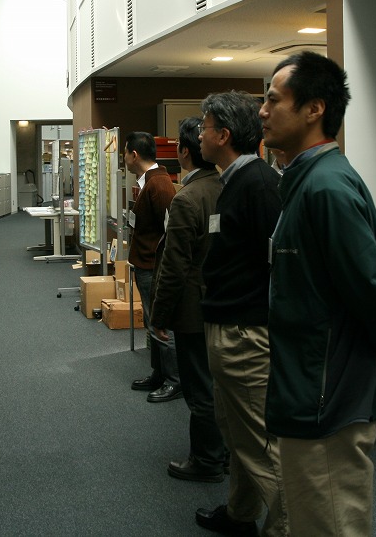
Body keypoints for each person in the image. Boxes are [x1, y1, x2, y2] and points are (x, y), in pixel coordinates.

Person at [260, 51, 376, 536]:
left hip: (327, 401)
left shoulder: (327, 188)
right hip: (311, 388)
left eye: (274, 100)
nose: (262, 111)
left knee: (331, 526)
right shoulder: (307, 181)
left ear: (314, 109)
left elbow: (375, 294)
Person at [194, 90, 288, 537]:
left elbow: (278, 265)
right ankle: (240, 514)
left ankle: (288, 528)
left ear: (224, 135)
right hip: (231, 327)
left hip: (245, 334)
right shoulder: (237, 180)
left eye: (204, 127)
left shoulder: (259, 186)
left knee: (260, 444)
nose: (199, 135)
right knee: (236, 433)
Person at [150, 117, 227, 483]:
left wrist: (159, 316)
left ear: (182, 152)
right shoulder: (227, 186)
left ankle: (207, 459)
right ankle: (224, 452)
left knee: (199, 387)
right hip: (225, 300)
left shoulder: (187, 198)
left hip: (193, 308)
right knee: (221, 383)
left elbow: (174, 265)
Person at [124, 131, 181, 403]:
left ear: (134, 155)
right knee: (151, 322)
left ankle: (174, 380)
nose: (124, 158)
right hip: (145, 264)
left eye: (125, 153)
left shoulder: (159, 184)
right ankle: (159, 374)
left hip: (153, 267)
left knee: (161, 324)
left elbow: (170, 232)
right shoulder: (149, 181)